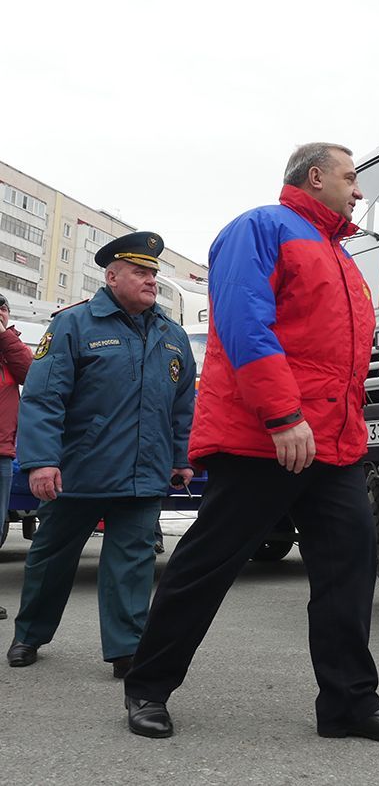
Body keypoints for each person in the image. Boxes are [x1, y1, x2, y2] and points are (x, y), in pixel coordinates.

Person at [123, 142, 379, 743]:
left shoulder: (342, 258)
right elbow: (243, 321)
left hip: (332, 446)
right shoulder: (261, 227)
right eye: (350, 178)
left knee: (349, 569)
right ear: (315, 177)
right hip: (264, 436)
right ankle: (147, 688)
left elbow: (341, 362)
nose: (359, 190)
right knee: (208, 564)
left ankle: (348, 704)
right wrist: (283, 414)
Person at [6, 233, 196, 678]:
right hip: (77, 472)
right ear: (111, 277)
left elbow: (183, 405)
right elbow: (43, 397)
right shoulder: (74, 325)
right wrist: (41, 461)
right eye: (140, 272)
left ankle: (127, 650)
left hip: (144, 473)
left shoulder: (173, 336)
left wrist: (180, 457)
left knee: (132, 563)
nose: (151, 280)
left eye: (153, 273)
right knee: (52, 559)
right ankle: (29, 633)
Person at [0, 293, 35, 622]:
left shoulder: (11, 349)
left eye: (2, 309)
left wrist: (3, 335)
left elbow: (30, 374)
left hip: (2, 453)